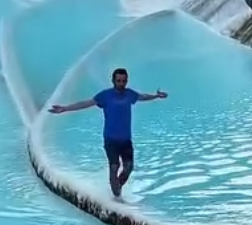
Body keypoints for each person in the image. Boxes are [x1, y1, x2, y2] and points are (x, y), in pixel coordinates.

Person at [49, 67, 168, 198]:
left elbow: (142, 97)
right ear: (113, 81)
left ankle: (117, 189)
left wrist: (156, 96)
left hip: (126, 140)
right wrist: (65, 108)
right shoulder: (105, 96)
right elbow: (85, 103)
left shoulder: (130, 94)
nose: (121, 84)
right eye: (118, 81)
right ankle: (116, 196)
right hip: (111, 139)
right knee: (114, 167)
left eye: (124, 81)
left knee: (128, 168)